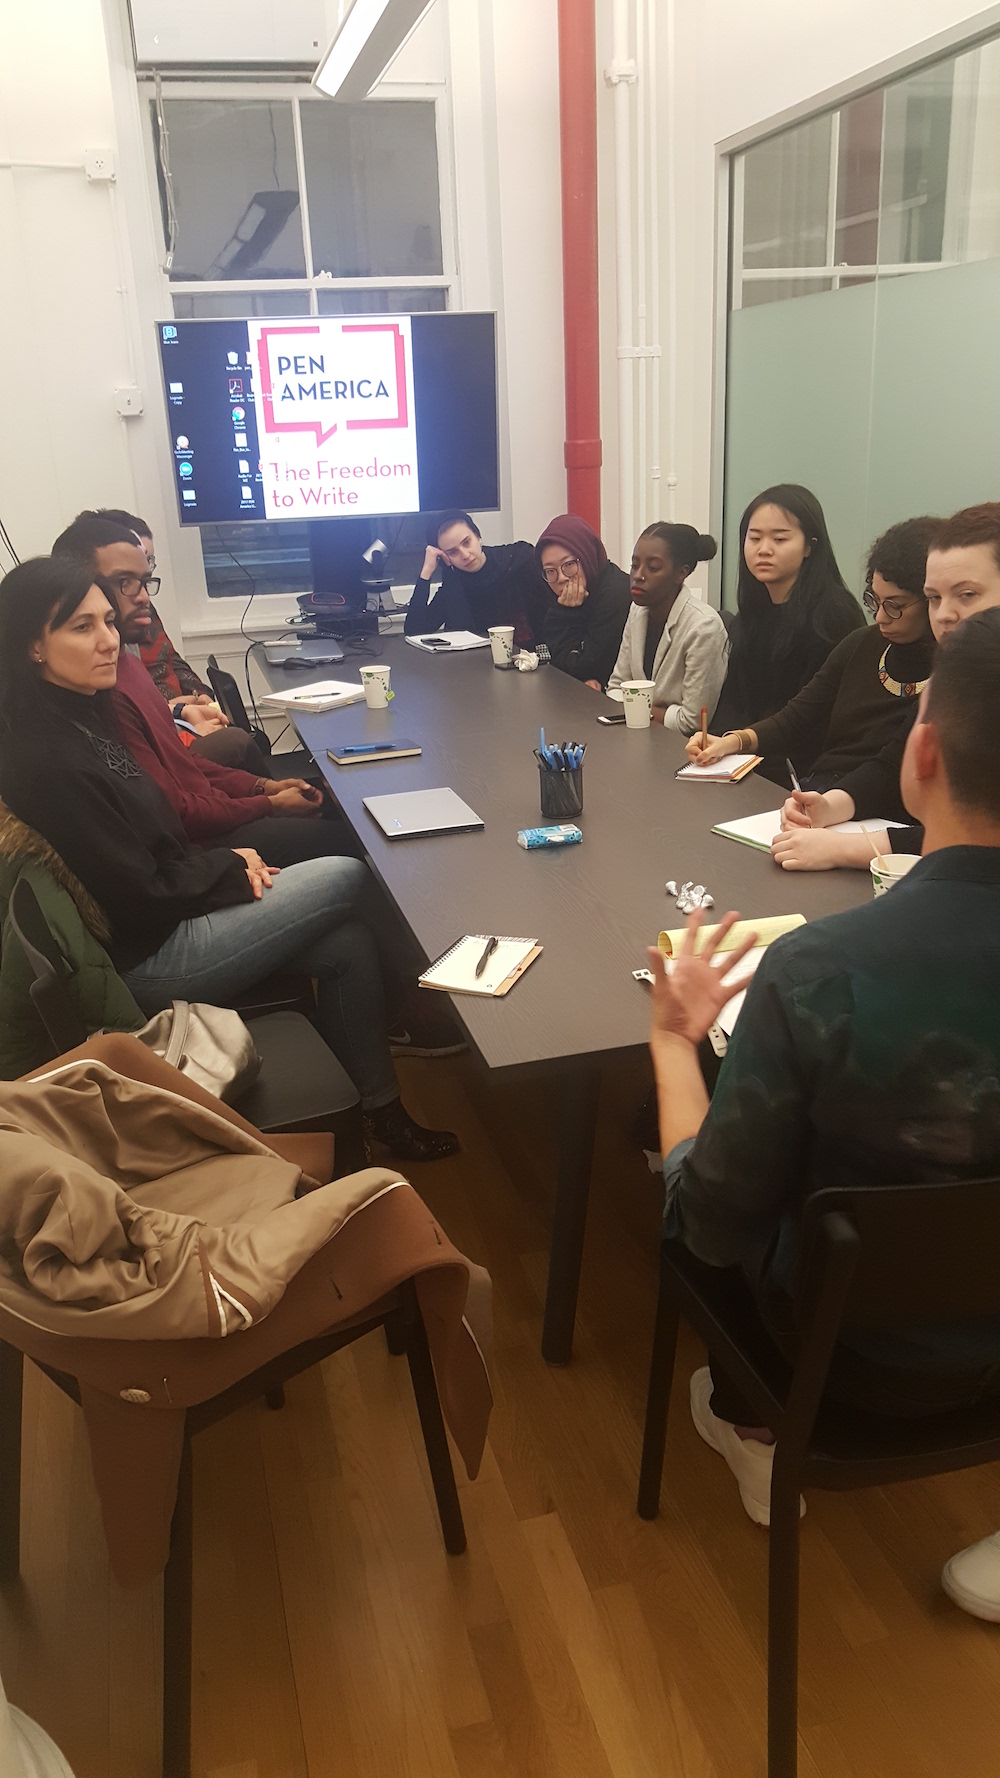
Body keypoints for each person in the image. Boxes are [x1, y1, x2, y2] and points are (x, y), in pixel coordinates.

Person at [647, 612, 1000, 1555]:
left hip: (841, 1366)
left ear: (920, 758)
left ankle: (748, 1427)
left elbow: (707, 1222)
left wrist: (675, 1041)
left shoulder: (816, 972)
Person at [0, 556, 458, 1162]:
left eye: (108, 621)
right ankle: (447, 992)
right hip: (150, 957)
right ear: (33, 643)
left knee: (347, 940)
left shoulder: (84, 715)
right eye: (82, 627)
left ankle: (381, 1112)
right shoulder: (50, 761)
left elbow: (152, 841)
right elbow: (140, 895)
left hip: (168, 913)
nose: (109, 640)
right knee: (351, 870)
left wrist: (232, 859)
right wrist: (230, 871)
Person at [50, 515, 349, 866]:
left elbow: (183, 761)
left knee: (338, 813)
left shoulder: (128, 666)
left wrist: (263, 790)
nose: (143, 597)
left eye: (145, 582)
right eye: (124, 583)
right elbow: (176, 812)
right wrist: (267, 806)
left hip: (215, 817)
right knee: (355, 844)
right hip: (206, 848)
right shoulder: (104, 693)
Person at [772, 501, 1000, 871]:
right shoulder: (953, 673)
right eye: (934, 598)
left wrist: (842, 849)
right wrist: (831, 805)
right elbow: (892, 762)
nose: (944, 614)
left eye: (967, 595)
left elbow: (974, 839)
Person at [687, 518, 938, 811]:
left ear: (932, 599)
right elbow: (796, 717)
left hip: (873, 812)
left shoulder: (952, 675)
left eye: (895, 606)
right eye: (875, 601)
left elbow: (888, 769)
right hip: (821, 793)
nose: (880, 617)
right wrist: (729, 743)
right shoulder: (862, 644)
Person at [95, 506, 267, 772]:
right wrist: (180, 718)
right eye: (126, 579)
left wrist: (200, 698)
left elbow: (172, 663)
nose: (142, 593)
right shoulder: (112, 644)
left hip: (175, 718)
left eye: (148, 564)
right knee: (239, 742)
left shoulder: (139, 613)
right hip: (168, 737)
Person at [712, 484, 864, 736]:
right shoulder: (750, 616)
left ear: (809, 547)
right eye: (755, 538)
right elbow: (734, 703)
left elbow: (813, 716)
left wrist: (740, 745)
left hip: (801, 759)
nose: (764, 549)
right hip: (748, 752)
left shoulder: (834, 616)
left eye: (779, 539)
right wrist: (715, 741)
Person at [606, 523, 728, 734]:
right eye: (634, 565)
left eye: (653, 568)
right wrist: (660, 711)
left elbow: (692, 721)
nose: (638, 575)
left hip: (681, 749)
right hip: (639, 736)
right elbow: (616, 689)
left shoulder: (704, 627)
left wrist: (636, 708)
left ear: (681, 573)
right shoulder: (637, 611)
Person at [404, 512, 550, 646]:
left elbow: (550, 609)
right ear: (445, 558)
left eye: (466, 543)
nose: (465, 555)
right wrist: (426, 572)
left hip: (529, 662)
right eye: (453, 552)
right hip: (473, 667)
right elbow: (414, 632)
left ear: (478, 537)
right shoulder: (454, 584)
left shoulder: (519, 559)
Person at [536, 513, 630, 690]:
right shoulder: (571, 600)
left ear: (586, 555)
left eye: (568, 564)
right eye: (550, 571)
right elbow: (564, 670)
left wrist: (564, 615)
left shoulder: (616, 595)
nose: (562, 577)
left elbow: (581, 668)